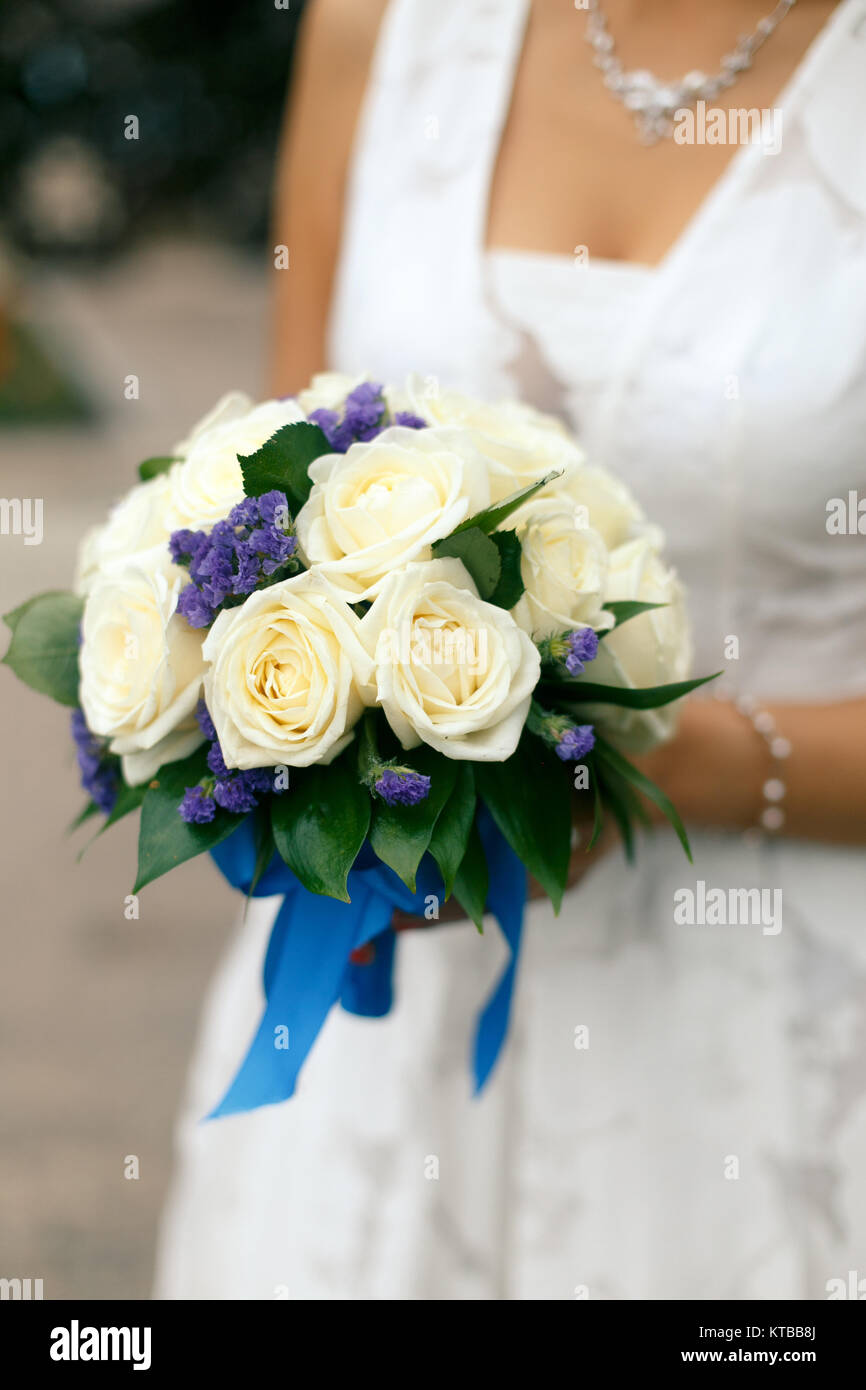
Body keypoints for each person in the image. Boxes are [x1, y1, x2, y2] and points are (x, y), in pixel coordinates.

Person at [155, 0, 866, 1299]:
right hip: (385, 1021)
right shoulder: (374, 26)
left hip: (781, 1020)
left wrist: (675, 762)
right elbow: (267, 492)